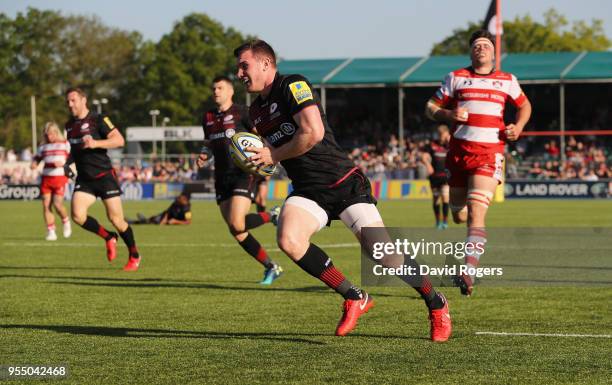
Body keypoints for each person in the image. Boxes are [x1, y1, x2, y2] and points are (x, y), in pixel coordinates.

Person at [236, 39, 451, 341]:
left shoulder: (292, 85)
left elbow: (313, 132)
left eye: (244, 65)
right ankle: (354, 296)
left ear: (265, 64)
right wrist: (261, 159)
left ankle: (436, 302)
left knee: (383, 254)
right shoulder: (256, 111)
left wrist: (273, 155)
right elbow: (276, 150)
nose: (239, 73)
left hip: (341, 180)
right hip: (309, 189)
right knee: (289, 239)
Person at [426, 29, 532, 296]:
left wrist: (517, 127)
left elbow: (525, 105)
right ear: (471, 52)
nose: (481, 48)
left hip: (489, 153)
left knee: (476, 213)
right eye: (476, 45)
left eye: (485, 44)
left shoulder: (507, 80)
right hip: (458, 154)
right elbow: (430, 107)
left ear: (494, 52)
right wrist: (448, 113)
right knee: (459, 214)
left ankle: (468, 271)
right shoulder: (456, 77)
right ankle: (462, 230)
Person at [196, 76, 283, 285]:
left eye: (220, 88)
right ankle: (272, 267)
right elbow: (208, 142)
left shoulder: (243, 112)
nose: (215, 91)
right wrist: (203, 154)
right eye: (213, 88)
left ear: (230, 91)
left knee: (238, 222)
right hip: (221, 177)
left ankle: (272, 214)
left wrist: (267, 158)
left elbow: (262, 136)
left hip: (243, 174)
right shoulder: (207, 116)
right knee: (237, 231)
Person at [64, 87, 141, 271]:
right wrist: (68, 163)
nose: (70, 104)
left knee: (116, 219)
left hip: (104, 176)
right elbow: (75, 151)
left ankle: (134, 255)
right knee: (77, 215)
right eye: (67, 101)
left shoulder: (98, 119)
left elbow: (119, 140)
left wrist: (96, 143)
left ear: (84, 100)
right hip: (85, 179)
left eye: (73, 100)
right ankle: (108, 237)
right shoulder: (69, 126)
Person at [31, 122, 72, 241]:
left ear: (56, 133)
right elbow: (36, 159)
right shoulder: (43, 146)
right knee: (46, 205)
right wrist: (34, 164)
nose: (49, 137)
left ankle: (66, 221)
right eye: (47, 135)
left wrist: (64, 163)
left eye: (51, 134)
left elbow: (72, 158)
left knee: (57, 204)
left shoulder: (65, 144)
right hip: (46, 178)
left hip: (59, 178)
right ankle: (51, 231)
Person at [420, 125, 451, 229]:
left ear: (447, 134)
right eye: (440, 134)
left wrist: (449, 140)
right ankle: (438, 221)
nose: (441, 137)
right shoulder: (432, 145)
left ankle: (445, 222)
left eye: (443, 134)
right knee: (436, 199)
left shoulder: (451, 145)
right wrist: (428, 165)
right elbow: (423, 157)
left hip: (446, 176)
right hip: (434, 177)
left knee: (445, 196)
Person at [128, 192, 192, 225]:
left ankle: (133, 221)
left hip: (171, 220)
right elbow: (168, 211)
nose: (177, 200)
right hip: (164, 216)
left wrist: (175, 221)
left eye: (179, 199)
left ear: (183, 200)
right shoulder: (175, 203)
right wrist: (164, 219)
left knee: (151, 221)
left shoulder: (187, 210)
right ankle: (134, 221)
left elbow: (188, 222)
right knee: (152, 220)